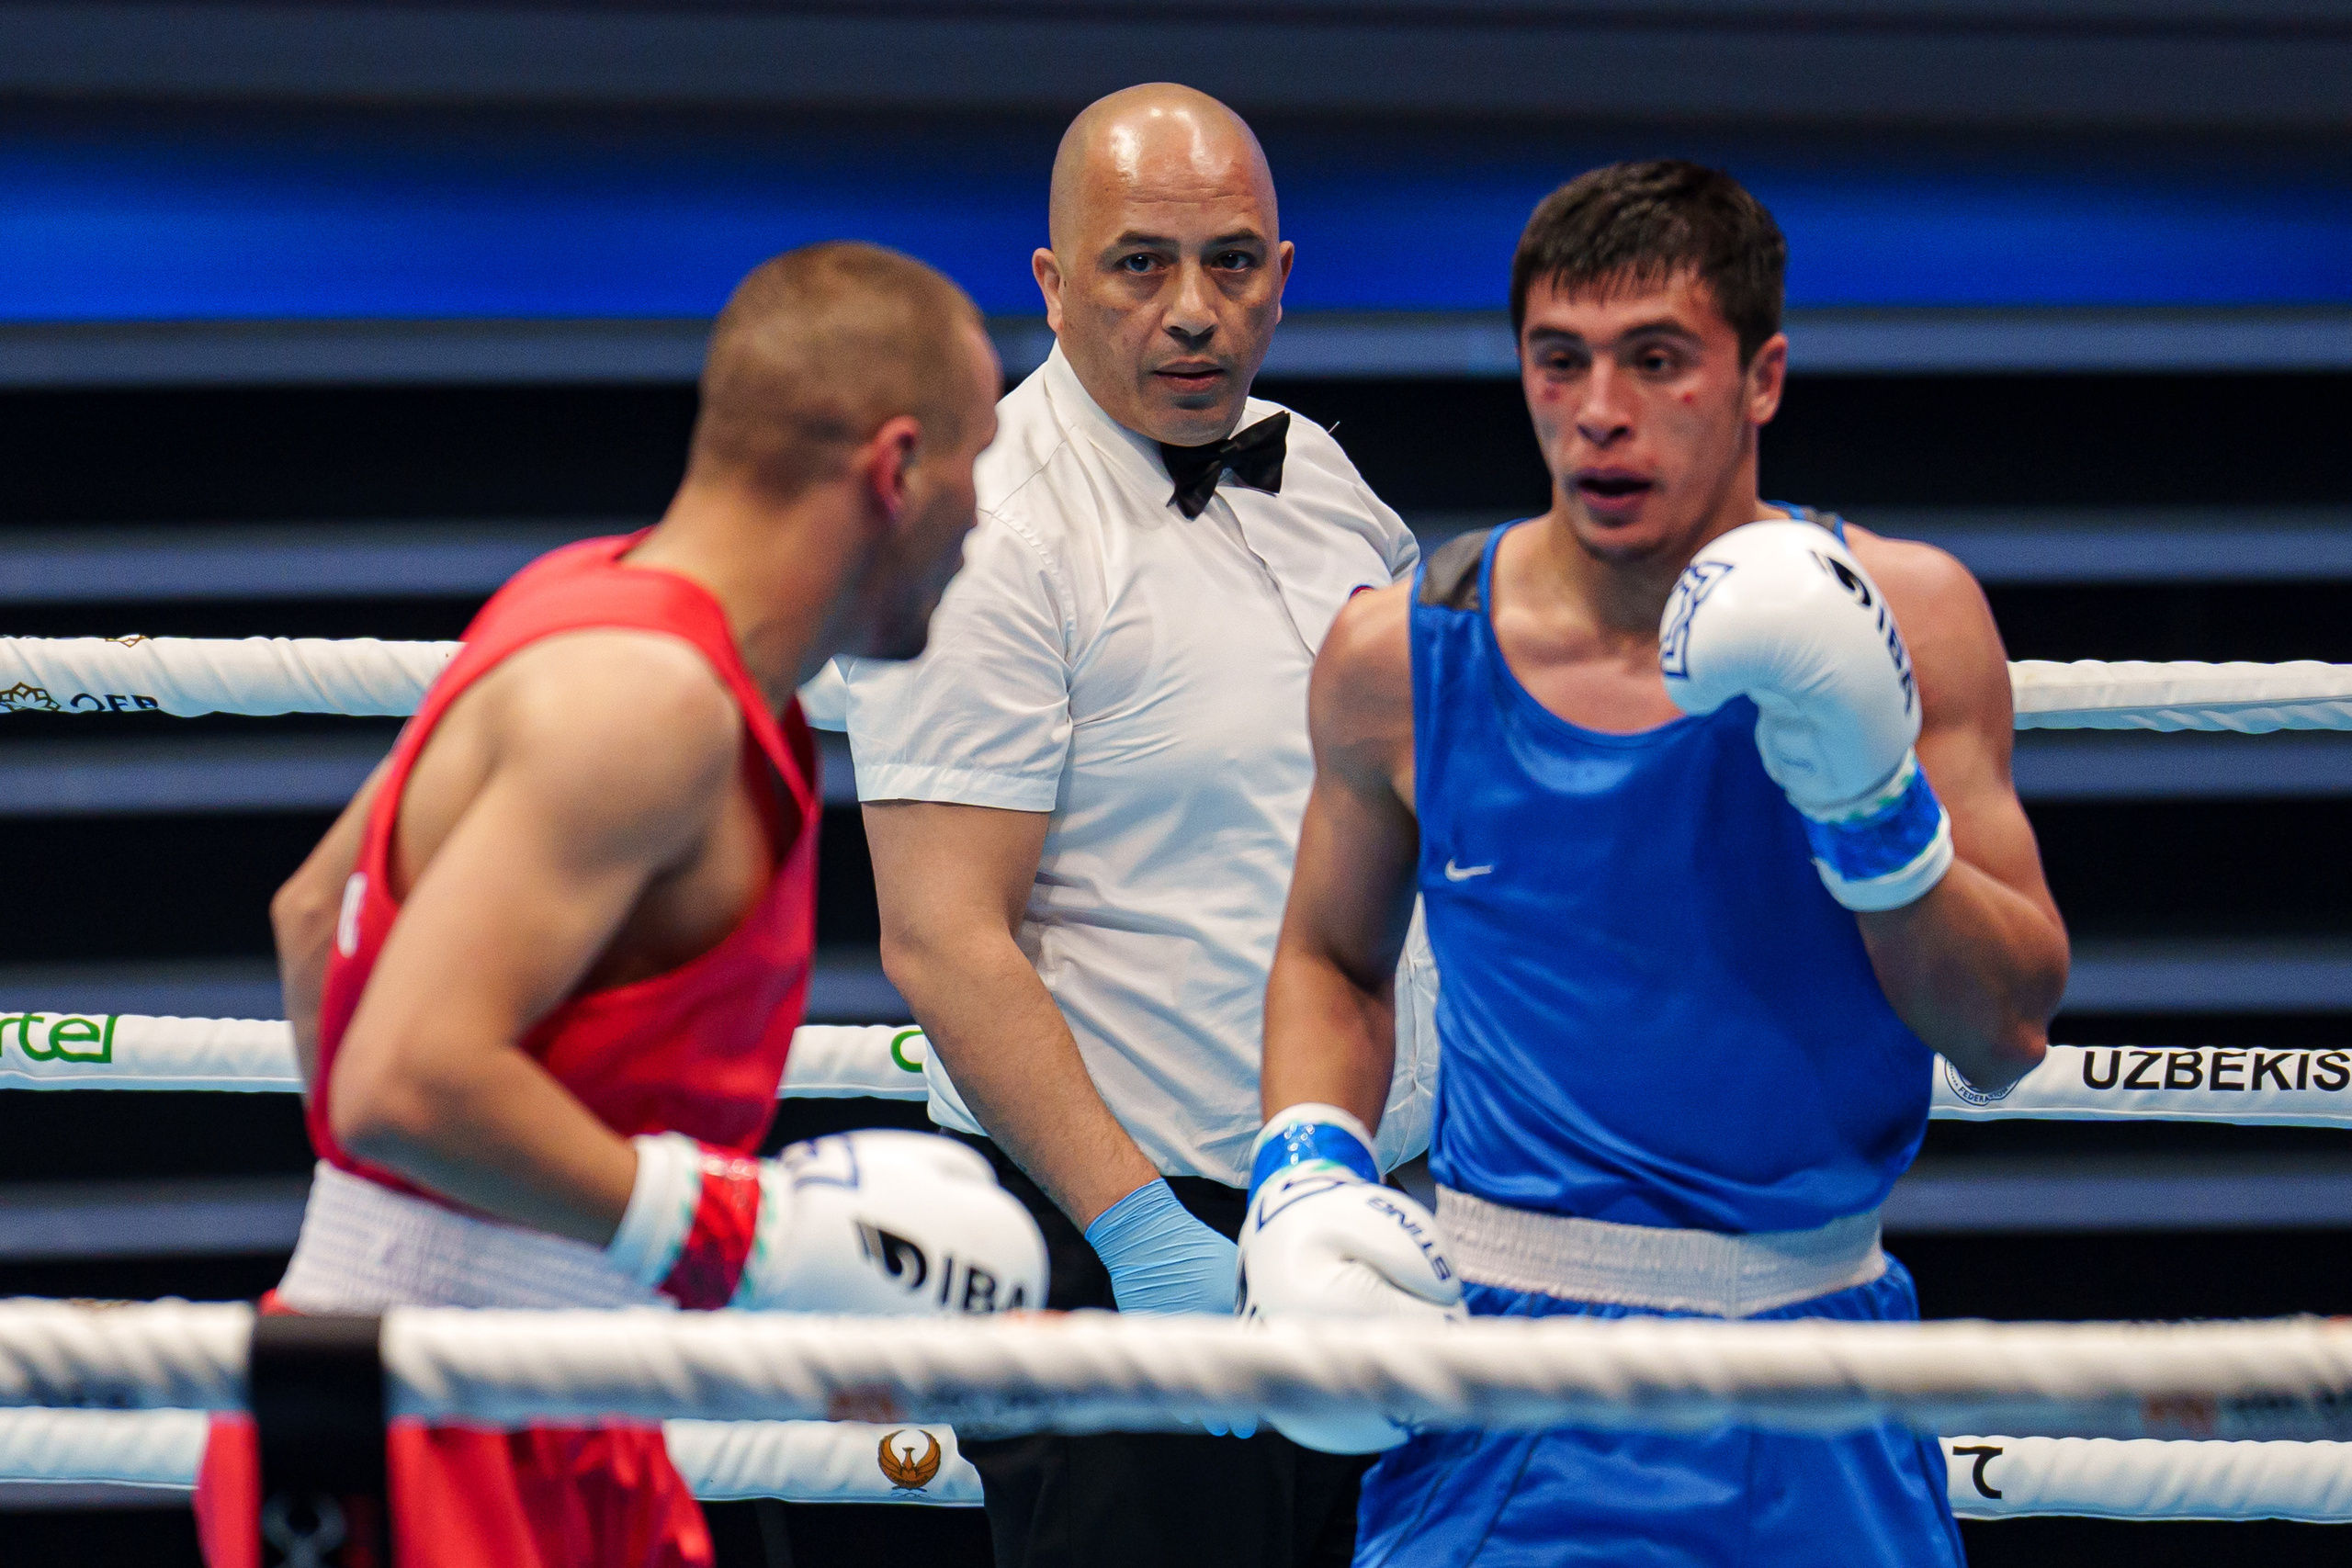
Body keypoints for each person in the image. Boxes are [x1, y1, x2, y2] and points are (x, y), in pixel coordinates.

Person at [1244, 161, 2070, 1564]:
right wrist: (1303, 1174)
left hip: (1822, 1376)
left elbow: (2002, 1033)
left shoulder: (1911, 620)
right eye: (1559, 362)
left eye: (1658, 360)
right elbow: (1331, 959)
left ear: (1763, 378)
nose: (1601, 414)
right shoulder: (1402, 653)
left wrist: (1871, 805)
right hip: (1509, 1389)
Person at [193, 242, 1046, 1568]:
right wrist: (739, 1242)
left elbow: (317, 915)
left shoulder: (581, 601)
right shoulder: (646, 702)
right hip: (426, 1422)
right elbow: (400, 1085)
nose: (985, 523)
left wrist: (502, 1248)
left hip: (542, 1394)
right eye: (979, 468)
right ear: (894, 470)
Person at [831, 84, 1426, 1568]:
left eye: (1230, 263)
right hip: (1129, 1234)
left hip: (1362, 1218)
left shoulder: (1322, 477)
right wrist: (1141, 1235)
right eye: (1138, 263)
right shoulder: (989, 536)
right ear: (1052, 284)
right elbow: (943, 937)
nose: (1192, 312)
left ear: (1284, 276)